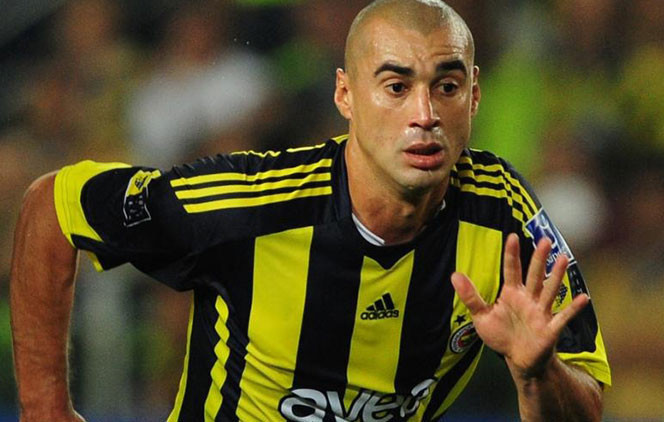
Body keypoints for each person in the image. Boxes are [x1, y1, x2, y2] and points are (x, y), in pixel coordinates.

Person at [10, 1, 610, 421]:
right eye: (396, 87)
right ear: (346, 94)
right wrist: (44, 409)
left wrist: (538, 375)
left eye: (446, 87)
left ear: (474, 96)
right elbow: (53, 206)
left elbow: (585, 406)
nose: (424, 114)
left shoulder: (504, 215)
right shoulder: (248, 205)